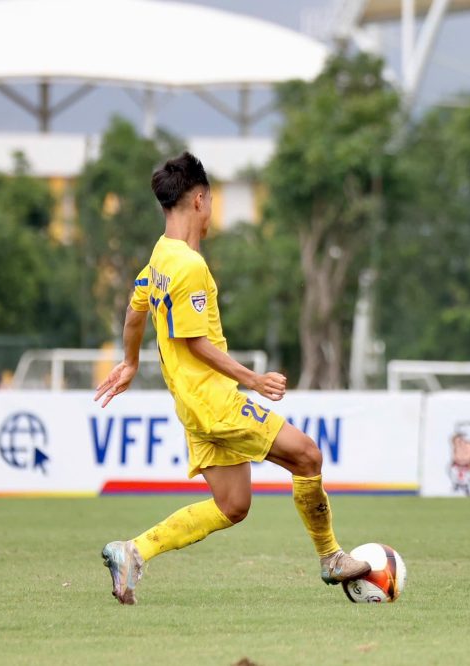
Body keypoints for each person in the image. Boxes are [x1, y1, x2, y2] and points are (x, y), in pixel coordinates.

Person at [95, 152, 370, 605]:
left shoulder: (161, 257)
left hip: (190, 405)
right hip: (215, 401)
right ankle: (330, 557)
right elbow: (194, 342)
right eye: (212, 202)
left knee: (233, 506)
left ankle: (133, 551)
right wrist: (255, 380)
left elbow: (134, 309)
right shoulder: (188, 265)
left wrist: (130, 361)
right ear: (200, 199)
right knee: (308, 456)